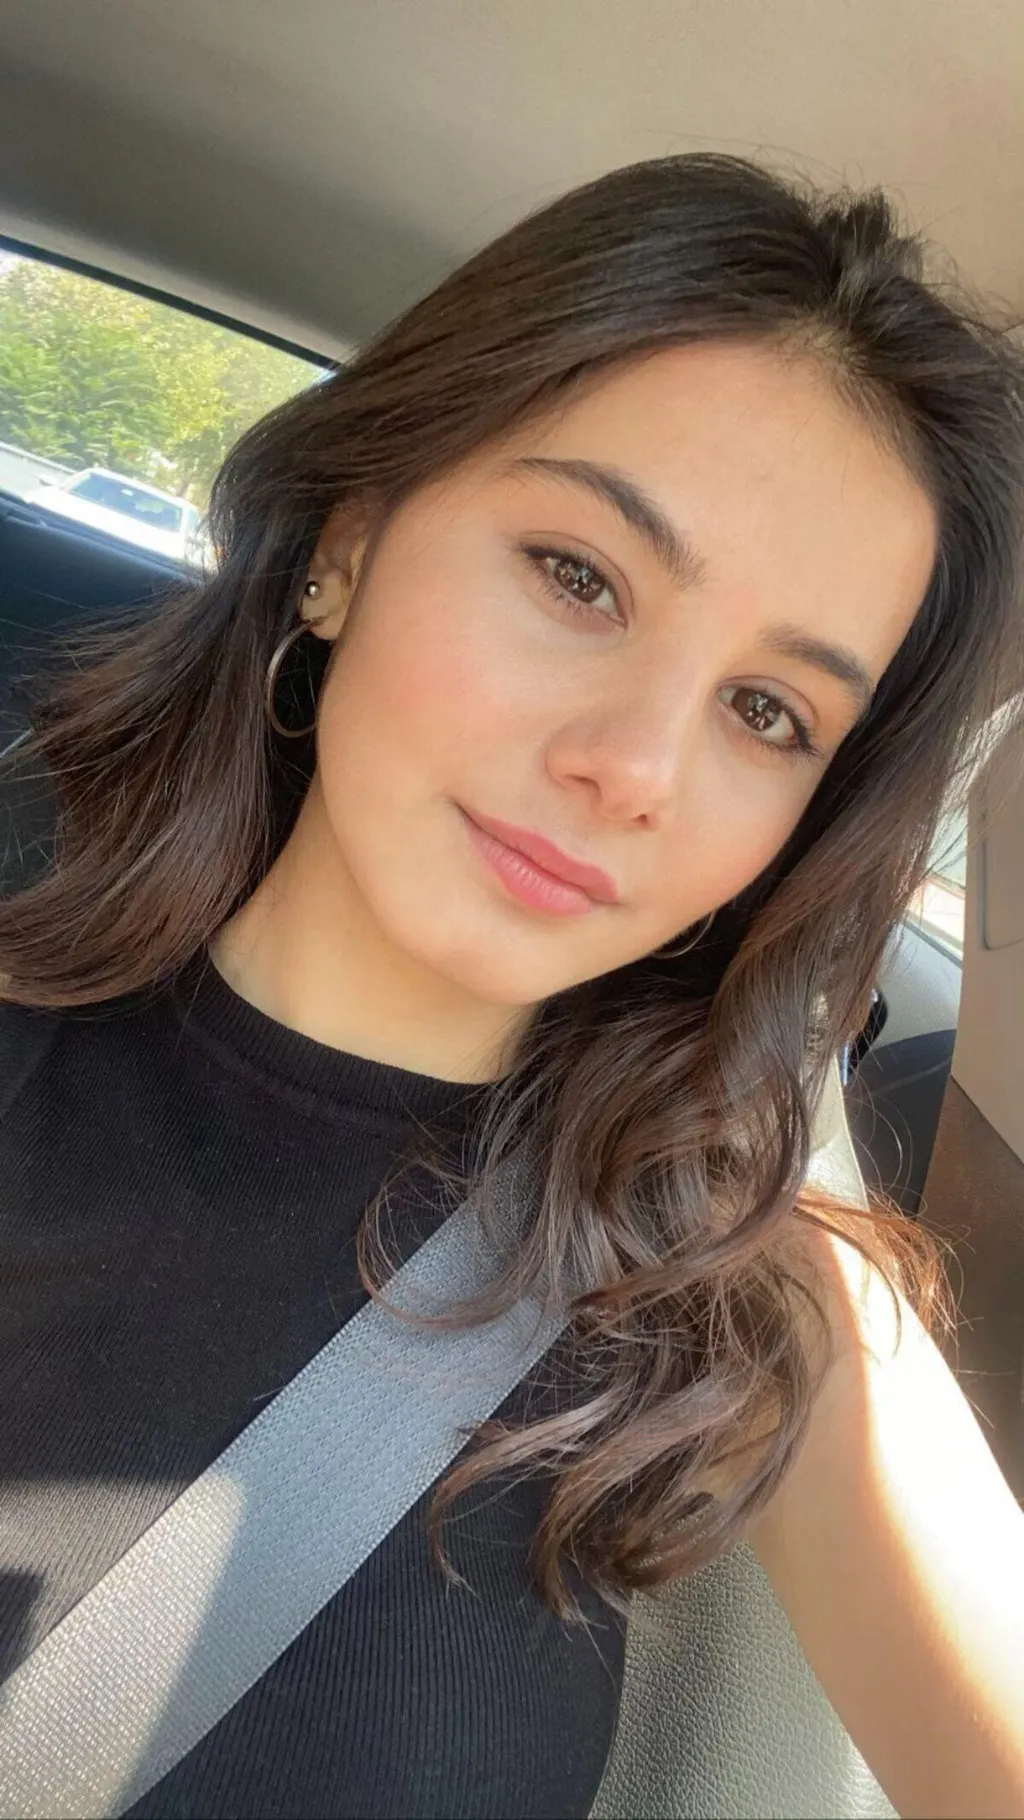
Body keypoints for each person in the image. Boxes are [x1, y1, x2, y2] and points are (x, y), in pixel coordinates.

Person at [1, 152, 1023, 1820]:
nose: (637, 766)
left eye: (769, 713)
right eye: (579, 576)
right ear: (348, 542)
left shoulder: (761, 1300)